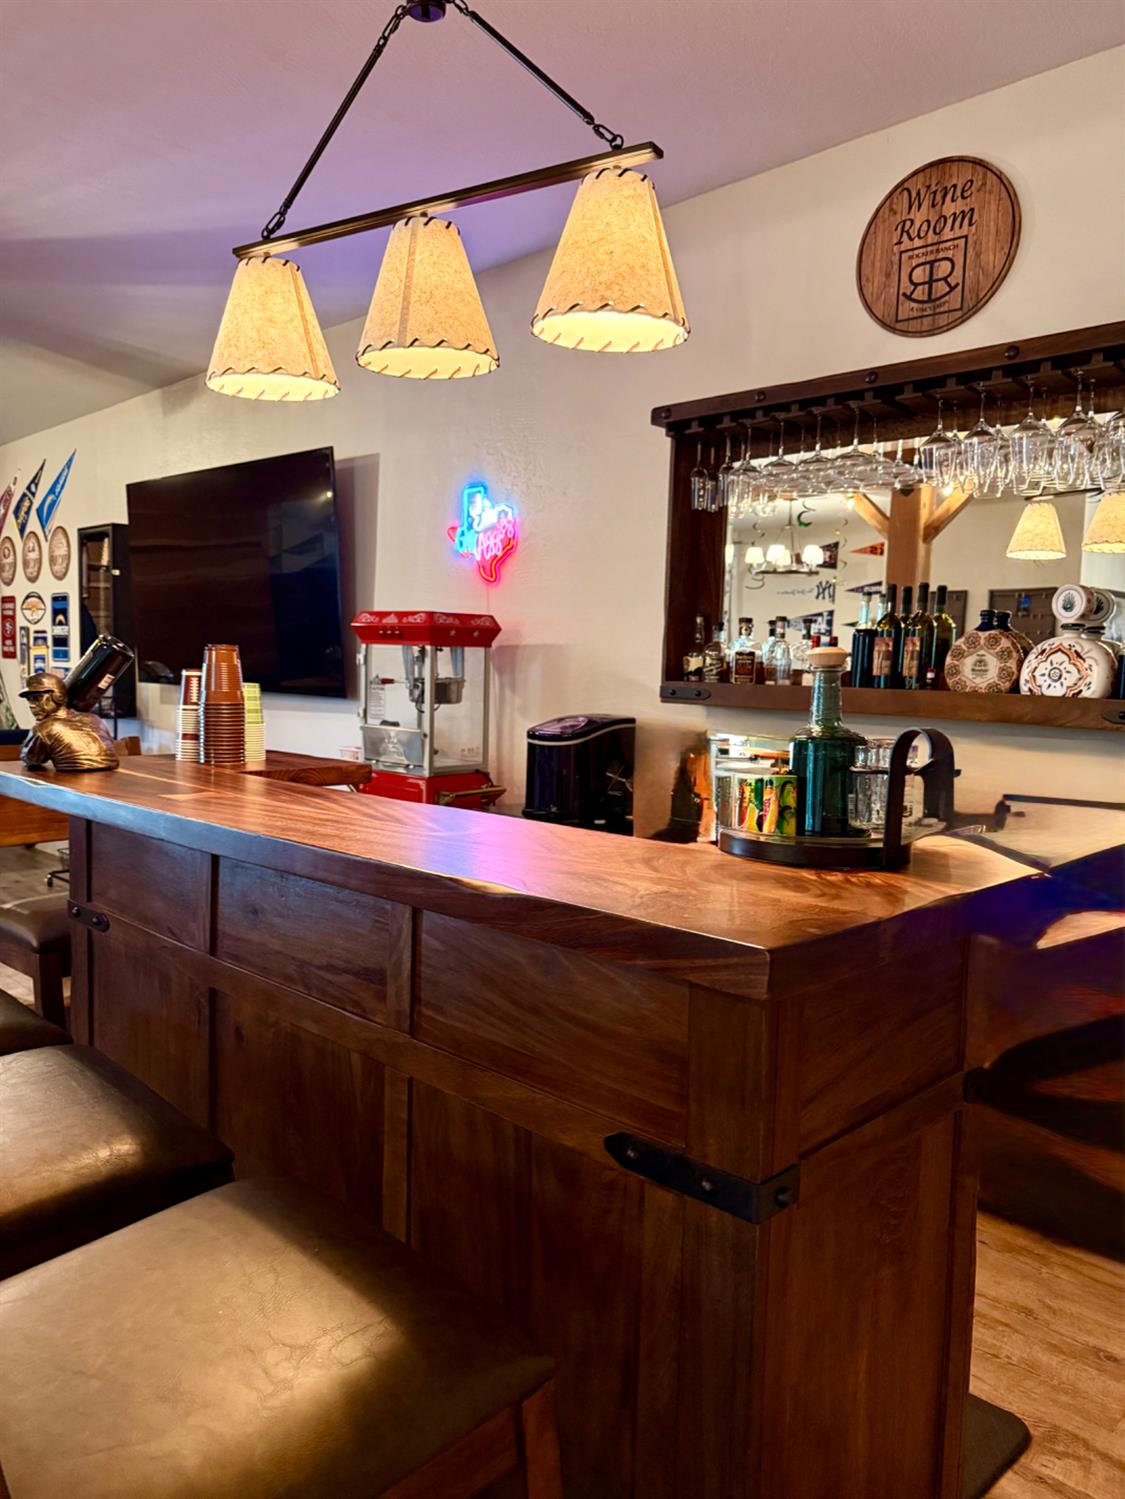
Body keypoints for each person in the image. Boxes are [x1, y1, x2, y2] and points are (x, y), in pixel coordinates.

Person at [19, 672, 118, 772]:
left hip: (71, 781)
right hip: (111, 776)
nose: (32, 705)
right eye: (29, 700)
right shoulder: (95, 718)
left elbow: (30, 760)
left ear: (58, 697)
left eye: (37, 698)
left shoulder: (44, 728)